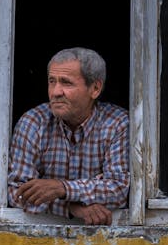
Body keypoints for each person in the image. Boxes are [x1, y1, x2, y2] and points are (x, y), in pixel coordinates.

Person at [8, 47, 129, 225]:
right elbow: (16, 193)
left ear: (95, 88)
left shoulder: (117, 124)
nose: (56, 92)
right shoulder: (33, 122)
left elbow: (119, 189)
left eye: (66, 83)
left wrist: (61, 188)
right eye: (52, 81)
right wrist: (73, 208)